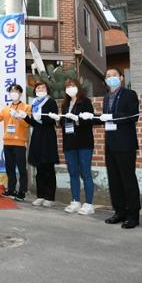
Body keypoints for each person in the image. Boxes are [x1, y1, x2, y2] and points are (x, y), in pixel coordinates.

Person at [96, 68, 141, 229]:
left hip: (126, 143)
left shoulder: (129, 94)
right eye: (108, 76)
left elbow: (133, 115)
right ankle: (119, 211)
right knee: (114, 180)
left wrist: (112, 117)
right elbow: (105, 119)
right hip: (110, 143)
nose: (111, 78)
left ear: (121, 78)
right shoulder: (106, 97)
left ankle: (133, 215)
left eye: (114, 75)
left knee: (128, 180)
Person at [48, 78, 96, 215]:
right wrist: (58, 119)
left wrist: (78, 119)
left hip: (84, 142)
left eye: (73, 85)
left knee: (85, 172)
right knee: (73, 172)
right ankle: (75, 201)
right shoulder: (65, 104)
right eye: (67, 86)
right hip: (69, 143)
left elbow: (90, 120)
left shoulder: (85, 101)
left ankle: (88, 204)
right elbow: (64, 124)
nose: (70, 88)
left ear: (78, 87)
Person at [0, 84, 31, 201]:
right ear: (9, 94)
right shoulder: (6, 108)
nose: (14, 93)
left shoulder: (26, 107)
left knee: (22, 168)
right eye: (12, 91)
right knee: (10, 168)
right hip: (7, 142)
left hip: (19, 142)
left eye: (16, 91)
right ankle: (11, 189)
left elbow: (27, 123)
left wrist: (19, 116)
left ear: (20, 93)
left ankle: (22, 191)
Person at [24, 82, 59, 207]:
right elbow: (35, 123)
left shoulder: (51, 102)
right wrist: (25, 118)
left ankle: (50, 197)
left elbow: (52, 121)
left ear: (47, 90)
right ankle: (40, 195)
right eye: (38, 88)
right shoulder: (34, 103)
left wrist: (43, 117)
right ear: (35, 90)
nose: (40, 89)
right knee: (39, 167)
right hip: (37, 136)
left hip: (48, 137)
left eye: (43, 87)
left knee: (48, 167)